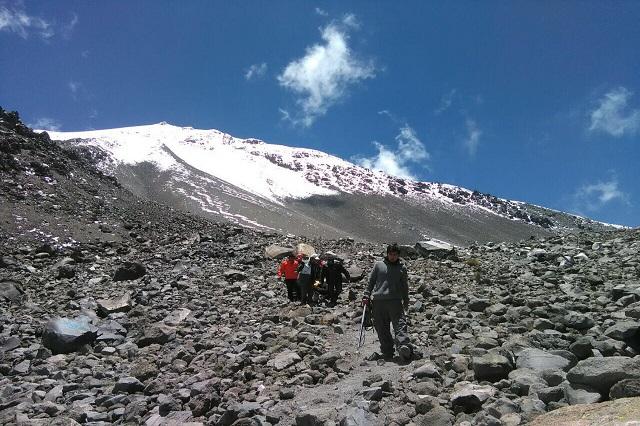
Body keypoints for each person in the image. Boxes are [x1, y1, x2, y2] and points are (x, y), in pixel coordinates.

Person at [362, 243, 412, 362]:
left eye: (395, 254)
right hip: (378, 302)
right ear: (387, 254)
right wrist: (366, 295)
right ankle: (387, 351)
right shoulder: (379, 265)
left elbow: (404, 286)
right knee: (381, 327)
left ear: (398, 255)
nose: (392, 257)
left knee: (400, 324)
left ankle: (403, 347)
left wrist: (406, 300)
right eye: (390, 254)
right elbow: (371, 281)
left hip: (395, 301)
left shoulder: (402, 268)